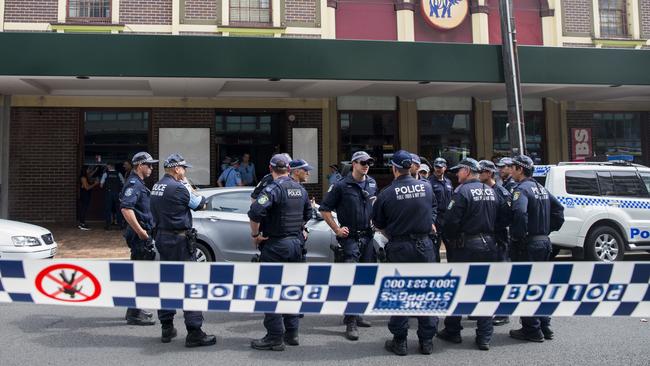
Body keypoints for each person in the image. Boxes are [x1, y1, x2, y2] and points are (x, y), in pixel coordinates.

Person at [437, 158, 508, 351]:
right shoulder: (492, 192)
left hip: (465, 247)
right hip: (489, 245)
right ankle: (484, 336)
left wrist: (450, 240)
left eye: (459, 171)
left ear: (467, 171)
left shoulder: (462, 192)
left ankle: (452, 330)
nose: (457, 174)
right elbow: (503, 218)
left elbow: (451, 222)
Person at [372, 150, 438, 356]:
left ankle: (400, 341)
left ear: (394, 168)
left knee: (399, 293)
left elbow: (378, 223)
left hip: (399, 247)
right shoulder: (427, 187)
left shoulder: (386, 193)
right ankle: (426, 340)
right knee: (425, 292)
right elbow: (433, 210)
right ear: (411, 168)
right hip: (424, 245)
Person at [150, 153, 216, 348]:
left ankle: (167, 327)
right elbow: (199, 204)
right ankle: (195, 332)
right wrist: (188, 186)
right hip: (179, 240)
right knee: (190, 284)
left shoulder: (157, 186)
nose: (185, 171)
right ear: (176, 168)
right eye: (183, 168)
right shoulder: (179, 187)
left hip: (162, 237)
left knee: (167, 282)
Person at [248, 154, 312, 351]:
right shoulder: (300, 189)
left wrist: (256, 235)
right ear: (289, 169)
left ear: (271, 168)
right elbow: (308, 214)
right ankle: (292, 333)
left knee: (271, 290)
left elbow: (255, 212)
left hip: (276, 246)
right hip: (296, 245)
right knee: (292, 289)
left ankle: (275, 336)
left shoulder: (273, 188)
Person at [319, 151, 377, 341]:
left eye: (368, 162)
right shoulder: (341, 185)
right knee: (351, 279)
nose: (366, 165)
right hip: (350, 238)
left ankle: (358, 313)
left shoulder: (372, 182)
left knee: (365, 277)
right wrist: (336, 229)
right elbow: (324, 209)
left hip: (368, 238)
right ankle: (350, 321)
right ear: (353, 164)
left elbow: (374, 206)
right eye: (362, 162)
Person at [508, 155, 565, 343]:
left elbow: (519, 212)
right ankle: (545, 326)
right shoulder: (541, 189)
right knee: (540, 285)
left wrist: (518, 235)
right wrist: (547, 229)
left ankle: (531, 329)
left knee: (526, 286)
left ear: (520, 169)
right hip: (544, 242)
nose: (510, 171)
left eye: (513, 167)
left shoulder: (522, 190)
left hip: (528, 244)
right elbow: (559, 211)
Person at [120, 152, 158, 326]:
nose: (151, 168)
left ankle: (134, 308)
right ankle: (134, 314)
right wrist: (141, 232)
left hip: (140, 234)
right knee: (140, 274)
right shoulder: (134, 184)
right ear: (139, 165)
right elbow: (126, 209)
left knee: (140, 272)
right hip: (138, 236)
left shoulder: (139, 183)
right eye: (148, 165)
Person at [478, 159, 513, 327]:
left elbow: (506, 217)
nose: (478, 175)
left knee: (499, 277)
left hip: (499, 239)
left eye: (481, 172)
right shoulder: (483, 190)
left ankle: (502, 312)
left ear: (489, 173)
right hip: (488, 240)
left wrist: (494, 229)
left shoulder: (500, 191)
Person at [429, 157, 453, 262]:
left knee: (451, 247)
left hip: (447, 218)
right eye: (436, 167)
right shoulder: (429, 182)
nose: (438, 169)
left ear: (445, 167)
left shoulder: (448, 182)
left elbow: (452, 199)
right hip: (436, 217)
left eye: (441, 167)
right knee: (435, 248)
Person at [100, 162, 125, 230]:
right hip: (117, 193)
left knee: (108, 209)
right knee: (119, 209)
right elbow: (124, 183)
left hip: (109, 193)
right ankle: (120, 225)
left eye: (107, 166)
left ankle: (108, 225)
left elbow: (101, 185)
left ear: (109, 166)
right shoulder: (119, 174)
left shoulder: (105, 174)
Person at [78, 165, 99, 230]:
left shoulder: (86, 176)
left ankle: (83, 223)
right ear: (85, 170)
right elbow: (86, 188)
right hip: (84, 194)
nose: (89, 170)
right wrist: (95, 184)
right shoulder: (83, 178)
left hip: (87, 194)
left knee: (85, 208)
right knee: (83, 209)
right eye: (88, 169)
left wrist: (95, 170)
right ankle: (81, 224)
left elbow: (90, 175)